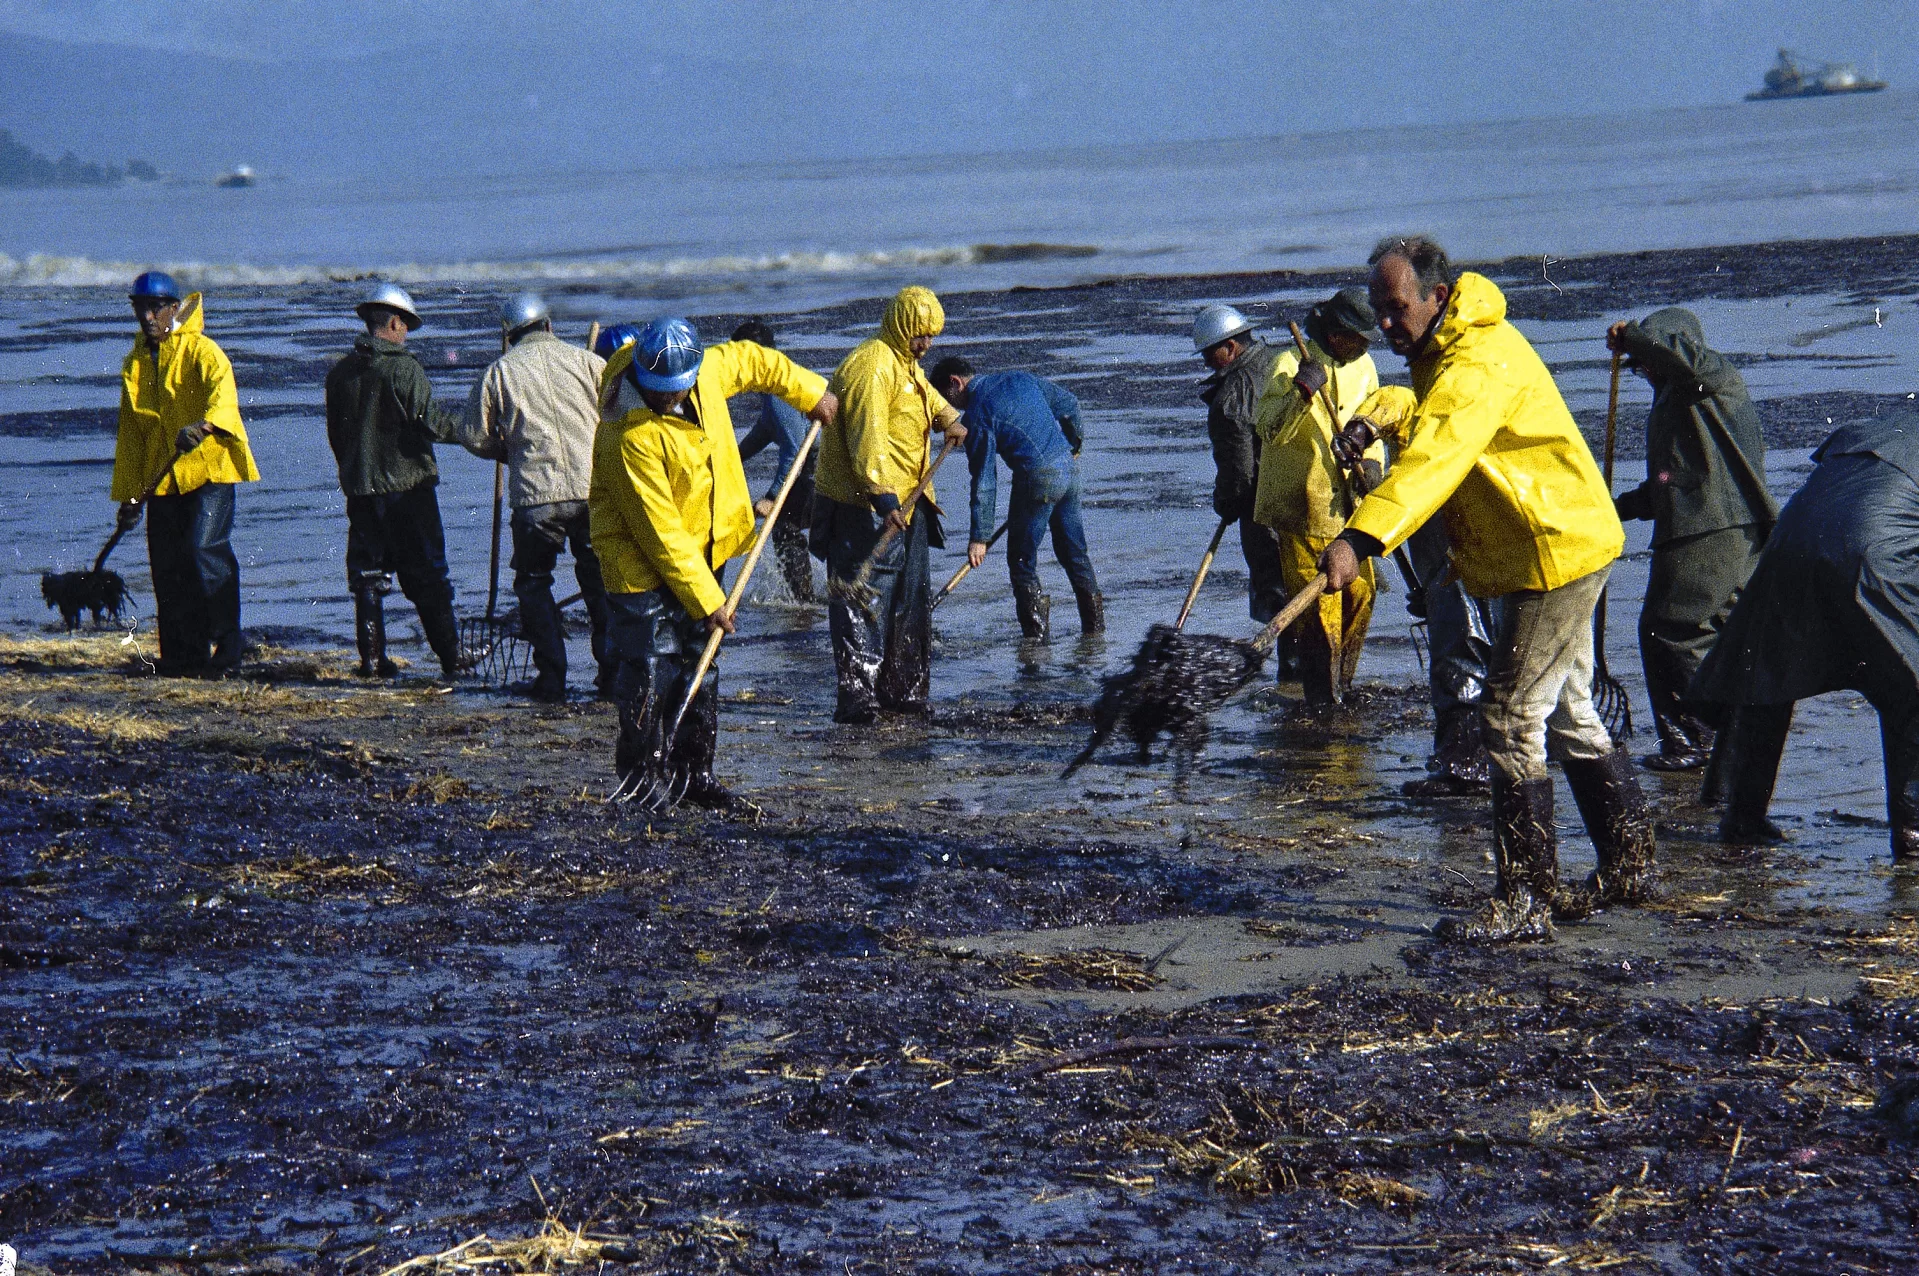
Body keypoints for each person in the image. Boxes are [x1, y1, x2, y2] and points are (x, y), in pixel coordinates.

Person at [1317, 235, 1657, 943]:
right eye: (1378, 310)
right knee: (1564, 709)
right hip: (1549, 545)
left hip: (1550, 553)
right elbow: (1427, 414)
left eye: (1396, 307)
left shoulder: (1475, 361)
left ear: (1437, 297)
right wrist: (1376, 412)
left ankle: (1526, 899)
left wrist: (1359, 538)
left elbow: (1438, 452)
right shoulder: (1448, 352)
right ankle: (1628, 867)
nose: (1385, 322)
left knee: (1506, 717)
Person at [592, 317, 836, 808]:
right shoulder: (629, 433)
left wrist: (811, 393)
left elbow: (757, 360)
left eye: (679, 390)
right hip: (640, 561)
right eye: (663, 393)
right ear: (642, 375)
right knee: (649, 665)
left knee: (702, 658)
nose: (671, 400)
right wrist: (708, 601)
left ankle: (694, 774)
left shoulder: (707, 370)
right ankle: (640, 779)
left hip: (706, 545)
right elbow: (661, 534)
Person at [1691, 414, 1919, 859]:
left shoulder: (1883, 426)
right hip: (1872, 550)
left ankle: (1743, 815)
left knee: (1767, 678)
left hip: (1790, 540)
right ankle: (1913, 831)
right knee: (1910, 689)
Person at [1607, 308, 1777, 770]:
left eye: (1644, 361)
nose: (1640, 371)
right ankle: (1726, 739)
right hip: (1722, 531)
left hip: (1709, 531)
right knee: (1708, 634)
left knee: (1671, 630)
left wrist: (1635, 338)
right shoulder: (1678, 399)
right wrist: (1612, 507)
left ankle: (1696, 742)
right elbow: (1671, 481)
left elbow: (1681, 360)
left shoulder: (1712, 378)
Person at [814, 286, 966, 724]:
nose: (927, 344)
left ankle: (905, 690)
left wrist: (949, 420)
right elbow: (868, 438)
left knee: (909, 598)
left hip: (911, 501)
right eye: (920, 334)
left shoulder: (906, 365)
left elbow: (927, 398)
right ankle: (859, 699)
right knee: (863, 597)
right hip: (865, 504)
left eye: (931, 336)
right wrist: (883, 499)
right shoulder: (871, 366)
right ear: (901, 326)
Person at [459, 292, 610, 702]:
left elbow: (473, 436)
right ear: (548, 326)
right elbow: (616, 417)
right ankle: (612, 675)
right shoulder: (590, 363)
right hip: (593, 491)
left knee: (533, 584)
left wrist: (506, 452)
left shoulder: (499, 372)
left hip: (535, 496)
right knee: (600, 581)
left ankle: (551, 678)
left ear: (510, 336)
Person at [111, 271, 261, 673]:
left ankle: (229, 646)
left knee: (204, 552)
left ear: (174, 309)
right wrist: (128, 500)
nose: (147, 316)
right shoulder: (136, 363)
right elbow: (131, 439)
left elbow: (223, 397)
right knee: (168, 566)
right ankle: (182, 656)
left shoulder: (203, 351)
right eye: (140, 308)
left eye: (155, 307)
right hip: (163, 480)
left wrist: (204, 426)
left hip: (208, 471)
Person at [1248, 288, 1384, 704]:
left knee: (1361, 595)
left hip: (1350, 512)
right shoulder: (1287, 364)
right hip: (1302, 509)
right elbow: (1266, 429)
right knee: (1320, 613)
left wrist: (1375, 463)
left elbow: (1375, 419)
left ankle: (1343, 686)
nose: (1363, 347)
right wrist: (1301, 392)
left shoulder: (1364, 366)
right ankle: (1322, 701)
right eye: (1356, 339)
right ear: (1336, 332)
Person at [324, 282, 465, 680]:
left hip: (362, 491)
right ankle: (452, 659)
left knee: (368, 578)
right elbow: (433, 424)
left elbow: (337, 436)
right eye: (406, 326)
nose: (406, 334)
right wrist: (479, 434)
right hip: (408, 491)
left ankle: (371, 661)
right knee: (429, 576)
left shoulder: (339, 374)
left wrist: (355, 474)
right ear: (394, 323)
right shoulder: (405, 368)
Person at [928, 355, 1101, 640]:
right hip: (1068, 470)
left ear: (955, 383)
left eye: (946, 398)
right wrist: (1073, 446)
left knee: (1021, 561)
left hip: (1038, 479)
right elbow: (1070, 404)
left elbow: (984, 479)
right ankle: (1095, 633)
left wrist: (979, 538)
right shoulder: (1019, 378)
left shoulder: (977, 415)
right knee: (1074, 552)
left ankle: (1035, 642)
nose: (949, 407)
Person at [1194, 304, 1286, 628]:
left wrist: (1226, 503)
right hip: (1311, 496)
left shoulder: (1230, 401)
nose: (1205, 363)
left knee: (1277, 594)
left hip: (1266, 509)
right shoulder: (1284, 360)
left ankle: (1291, 670)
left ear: (1231, 347)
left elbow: (1239, 475)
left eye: (1208, 353)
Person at [728, 319, 819, 602]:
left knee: (785, 527)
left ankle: (803, 600)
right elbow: (765, 431)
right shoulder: (774, 387)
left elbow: (795, 451)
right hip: (811, 464)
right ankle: (808, 594)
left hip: (818, 465)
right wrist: (731, 457)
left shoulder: (781, 391)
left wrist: (772, 496)